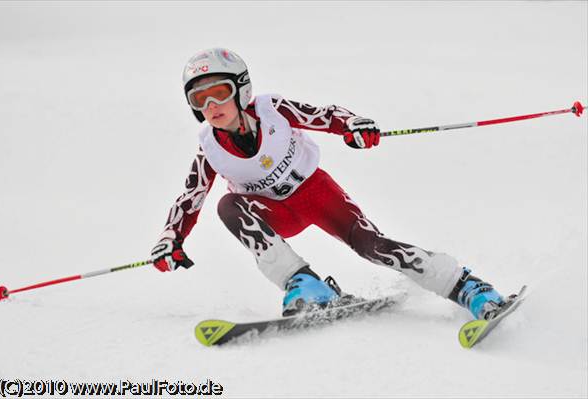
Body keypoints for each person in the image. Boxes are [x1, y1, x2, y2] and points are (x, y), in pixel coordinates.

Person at [150, 48, 510, 319]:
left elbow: (323, 116)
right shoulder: (210, 147)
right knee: (228, 206)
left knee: (372, 246)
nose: (211, 104)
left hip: (317, 194)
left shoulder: (272, 109)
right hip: (272, 213)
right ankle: (303, 284)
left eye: (220, 92)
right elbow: (190, 197)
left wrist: (354, 126)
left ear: (241, 89)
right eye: (200, 99)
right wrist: (172, 239)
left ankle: (468, 288)